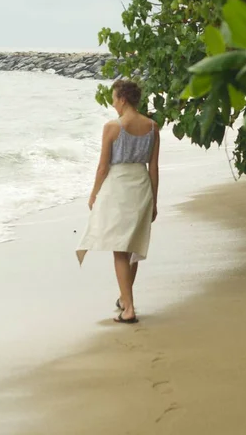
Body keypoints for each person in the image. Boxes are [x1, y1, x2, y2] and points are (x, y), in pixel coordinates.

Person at [76, 79, 160, 324]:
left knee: (119, 249)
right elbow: (153, 168)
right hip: (142, 186)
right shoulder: (153, 127)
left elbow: (103, 166)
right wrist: (154, 200)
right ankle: (125, 299)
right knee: (132, 246)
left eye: (114, 99)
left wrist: (94, 194)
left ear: (122, 99)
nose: (113, 104)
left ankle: (129, 308)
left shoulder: (112, 127)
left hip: (119, 187)